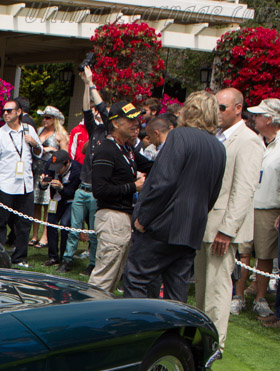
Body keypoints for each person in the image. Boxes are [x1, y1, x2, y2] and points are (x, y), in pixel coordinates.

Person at [122, 91, 226, 302]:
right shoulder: (218, 147)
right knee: (177, 293)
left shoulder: (180, 136)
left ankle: (139, 331)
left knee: (136, 279)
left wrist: (144, 218)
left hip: (162, 226)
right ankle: (174, 334)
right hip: (191, 229)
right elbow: (212, 193)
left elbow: (163, 182)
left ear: (189, 111)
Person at [194, 87, 265, 349]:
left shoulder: (248, 140)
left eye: (222, 107)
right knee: (203, 285)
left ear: (238, 109)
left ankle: (214, 344)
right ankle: (201, 338)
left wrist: (228, 229)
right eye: (215, 107)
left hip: (223, 227)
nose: (217, 112)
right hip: (206, 223)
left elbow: (244, 189)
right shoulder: (217, 136)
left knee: (218, 287)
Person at [88, 101, 154, 294]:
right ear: (115, 123)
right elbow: (99, 190)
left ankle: (102, 318)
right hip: (111, 218)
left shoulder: (127, 149)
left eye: (137, 119)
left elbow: (152, 166)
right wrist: (133, 186)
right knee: (103, 278)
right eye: (130, 119)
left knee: (114, 278)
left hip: (124, 219)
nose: (136, 123)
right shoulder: (106, 150)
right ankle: (86, 316)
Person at [233, 98, 280, 322]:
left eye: (259, 115)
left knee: (264, 255)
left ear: (270, 119)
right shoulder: (254, 140)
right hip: (247, 203)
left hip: (269, 207)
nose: (255, 118)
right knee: (242, 251)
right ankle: (238, 295)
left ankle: (260, 298)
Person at [58, 66, 107, 274]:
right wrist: (87, 84)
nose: (97, 115)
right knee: (74, 228)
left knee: (94, 232)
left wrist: (93, 82)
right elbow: (87, 109)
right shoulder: (94, 130)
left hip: (97, 192)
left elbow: (103, 110)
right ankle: (67, 259)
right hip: (82, 189)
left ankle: (93, 263)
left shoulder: (110, 135)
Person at [0, 99, 43, 267]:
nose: (5, 113)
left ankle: (20, 257)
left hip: (25, 183)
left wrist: (34, 144)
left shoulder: (29, 129)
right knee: (1, 222)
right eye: (4, 111)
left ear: (19, 112)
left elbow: (40, 152)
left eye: (9, 111)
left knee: (24, 222)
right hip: (5, 184)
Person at [37, 149, 82, 266]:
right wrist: (42, 185)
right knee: (51, 223)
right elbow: (43, 186)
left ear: (67, 163)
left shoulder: (77, 170)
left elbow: (72, 192)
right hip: (56, 200)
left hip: (70, 200)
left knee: (65, 225)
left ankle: (64, 256)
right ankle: (53, 256)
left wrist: (61, 187)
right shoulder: (49, 165)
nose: (56, 170)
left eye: (59, 167)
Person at [32, 106, 69, 247]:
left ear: (55, 120)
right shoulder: (40, 131)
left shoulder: (60, 135)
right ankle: (34, 234)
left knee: (48, 205)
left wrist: (51, 151)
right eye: (43, 117)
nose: (44, 120)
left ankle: (45, 236)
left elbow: (64, 156)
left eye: (48, 117)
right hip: (37, 170)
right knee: (36, 204)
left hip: (51, 170)